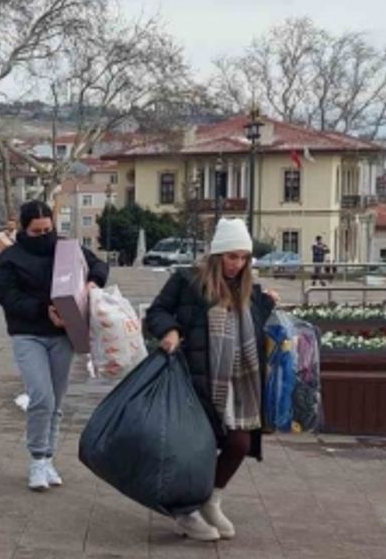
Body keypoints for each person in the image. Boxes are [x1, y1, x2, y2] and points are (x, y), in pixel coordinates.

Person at [145, 217, 280, 542]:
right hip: (194, 379)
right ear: (218, 255)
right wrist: (170, 330)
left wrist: (267, 302)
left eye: (244, 257)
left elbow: (249, 326)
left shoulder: (248, 290)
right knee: (196, 449)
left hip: (238, 384)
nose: (238, 264)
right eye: (232, 256)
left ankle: (210, 499)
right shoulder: (187, 281)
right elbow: (156, 312)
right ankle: (185, 512)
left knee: (240, 443)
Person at [0, 200, 108, 491]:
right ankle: (36, 458)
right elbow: (8, 297)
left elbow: (98, 264)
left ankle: (48, 459)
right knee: (41, 397)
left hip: (62, 335)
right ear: (24, 229)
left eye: (48, 230)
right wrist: (44, 310)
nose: (44, 236)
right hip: (27, 334)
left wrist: (93, 283)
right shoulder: (10, 259)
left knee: (56, 401)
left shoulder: (67, 248)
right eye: (37, 231)